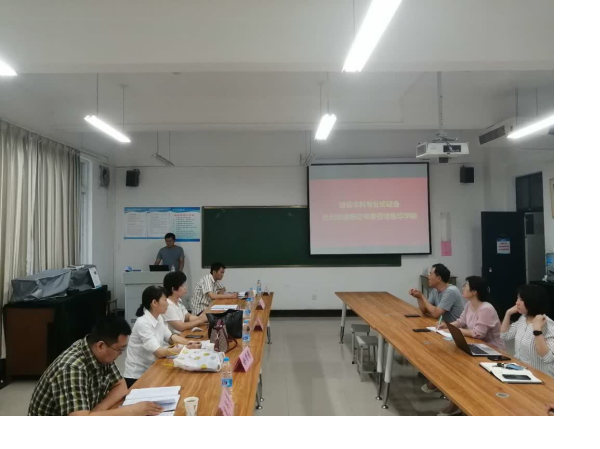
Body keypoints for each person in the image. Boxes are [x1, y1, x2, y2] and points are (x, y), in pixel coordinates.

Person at [28, 316, 163, 416]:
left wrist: (97, 411)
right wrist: (133, 410)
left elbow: (121, 386)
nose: (121, 354)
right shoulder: (72, 367)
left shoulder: (100, 353)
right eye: (119, 349)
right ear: (100, 346)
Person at [431, 276, 505, 416]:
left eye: (466, 285)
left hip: (491, 351)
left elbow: (478, 333)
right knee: (452, 366)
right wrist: (446, 325)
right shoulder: (469, 305)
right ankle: (456, 402)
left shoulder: (486, 308)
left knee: (461, 370)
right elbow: (461, 322)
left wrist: (455, 330)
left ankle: (461, 405)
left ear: (474, 291)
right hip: (476, 347)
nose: (463, 288)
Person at [124, 285, 199, 388]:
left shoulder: (158, 317)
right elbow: (159, 352)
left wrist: (188, 342)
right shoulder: (143, 323)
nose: (167, 303)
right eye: (164, 300)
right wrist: (185, 349)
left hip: (152, 368)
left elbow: (170, 337)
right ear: (154, 303)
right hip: (138, 376)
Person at [500, 284, 554, 377]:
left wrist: (537, 330)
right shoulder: (523, 318)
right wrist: (508, 313)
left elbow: (548, 358)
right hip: (520, 371)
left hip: (540, 377)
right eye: (517, 299)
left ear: (532, 301)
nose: (517, 303)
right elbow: (505, 335)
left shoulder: (547, 324)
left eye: (521, 299)